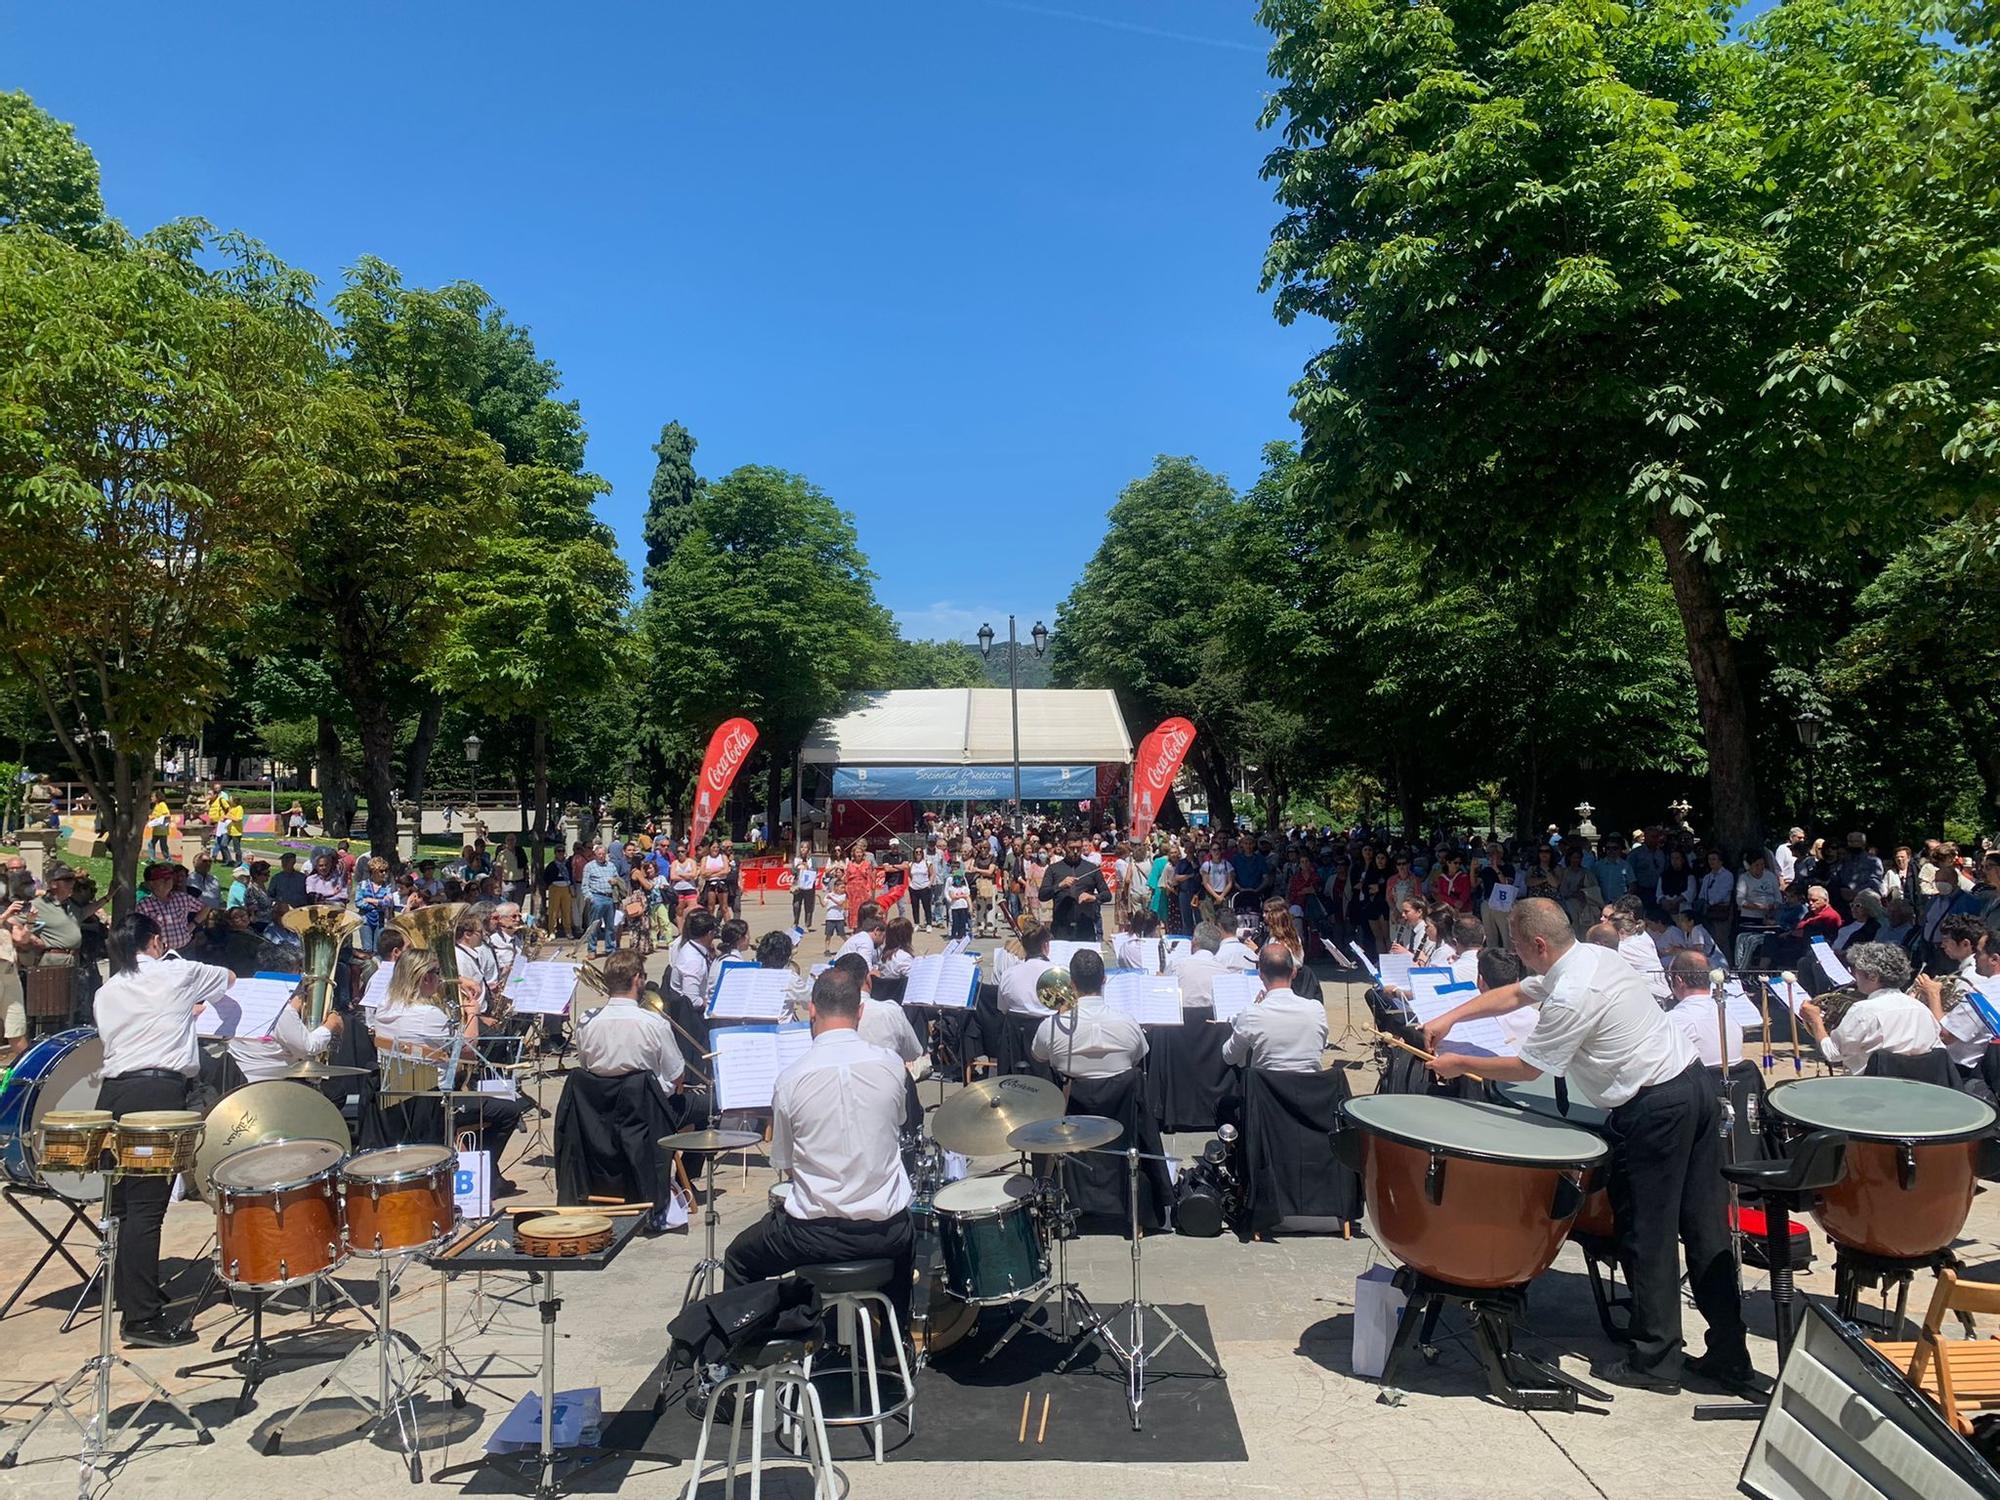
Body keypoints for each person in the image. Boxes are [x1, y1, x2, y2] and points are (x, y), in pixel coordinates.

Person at [1422, 898, 1752, 1393]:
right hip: (1694, 1088)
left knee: (1648, 1233)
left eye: (1515, 942)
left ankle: (1655, 1359)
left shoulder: (1574, 990)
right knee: (1704, 1227)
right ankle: (1730, 1353)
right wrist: (1451, 1018)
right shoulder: (1593, 957)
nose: (1510, 951)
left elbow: (1530, 1068)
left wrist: (1458, 1063)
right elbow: (1517, 993)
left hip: (1656, 1106)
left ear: (1537, 944)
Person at [721, 966, 914, 1322]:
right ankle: (891, 1340)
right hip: (887, 1232)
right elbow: (898, 1124)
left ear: (811, 1009)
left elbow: (785, 1163)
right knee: (907, 1233)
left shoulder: (791, 1078)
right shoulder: (891, 1065)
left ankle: (757, 1355)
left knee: (737, 1258)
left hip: (814, 1235)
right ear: (859, 1011)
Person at [94, 911, 237, 1347]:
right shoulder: (177, 971)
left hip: (114, 1097)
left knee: (121, 1205)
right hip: (156, 1096)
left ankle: (130, 1293)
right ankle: (141, 1320)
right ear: (155, 941)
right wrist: (187, 995)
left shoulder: (107, 990)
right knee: (146, 1208)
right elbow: (229, 977)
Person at [371, 945, 524, 1188]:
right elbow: (469, 1052)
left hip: (398, 1095)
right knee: (509, 1109)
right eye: (437, 973)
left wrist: (458, 979)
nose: (441, 979)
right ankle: (486, 1174)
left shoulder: (384, 1006)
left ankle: (471, 1161)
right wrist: (472, 1014)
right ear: (425, 977)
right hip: (434, 1100)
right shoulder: (429, 1014)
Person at [1801, 942, 1942, 1074]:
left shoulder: (1864, 1011)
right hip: (1918, 1086)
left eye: (1856, 971)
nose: (1854, 977)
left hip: (1873, 1088)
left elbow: (1832, 1053)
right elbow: (1938, 1051)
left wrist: (1816, 1021)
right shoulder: (1922, 1010)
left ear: (1873, 977)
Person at [1032, 949, 1146, 1079]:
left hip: (1068, 1098)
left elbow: (1038, 1057)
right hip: (1120, 1098)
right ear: (1104, 980)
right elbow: (1137, 1059)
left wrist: (1059, 1016)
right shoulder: (1129, 1023)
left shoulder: (1050, 1027)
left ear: (1072, 984)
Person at [1221, 943, 1327, 1072]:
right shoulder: (1316, 1010)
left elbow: (1229, 1057)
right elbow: (1321, 1046)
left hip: (1267, 1090)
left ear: (1260, 975)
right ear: (1293, 972)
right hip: (1308, 1090)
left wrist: (1241, 1020)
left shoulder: (1252, 1014)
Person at [230, 980, 339, 1082]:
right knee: (335, 1094)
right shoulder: (283, 1009)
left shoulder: (240, 999)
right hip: (269, 1085)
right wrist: (331, 1025)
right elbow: (308, 1048)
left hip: (236, 1080)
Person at [832, 951, 924, 1063]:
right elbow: (914, 1053)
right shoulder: (891, 1011)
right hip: (887, 1077)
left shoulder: (827, 1016)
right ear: (868, 980)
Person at [1662, 951, 1744, 1069]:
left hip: (1699, 1085)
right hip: (1738, 1084)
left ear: (1679, 981)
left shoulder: (1676, 1020)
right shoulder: (1729, 1016)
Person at [999, 923, 1058, 1016]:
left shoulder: (1007, 975)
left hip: (1016, 1029)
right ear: (1045, 945)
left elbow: (1002, 1009)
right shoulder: (1059, 975)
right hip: (1046, 1028)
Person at [668, 909, 720, 1011]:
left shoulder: (693, 947)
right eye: (715, 932)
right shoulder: (692, 961)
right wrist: (711, 1004)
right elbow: (692, 1000)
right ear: (709, 934)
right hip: (692, 1016)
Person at [1175, 922, 1230, 1008]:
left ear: (1194, 942)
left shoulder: (1177, 965)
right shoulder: (1226, 973)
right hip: (1213, 1020)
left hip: (1184, 1019)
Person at [838, 902, 885, 967]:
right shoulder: (865, 941)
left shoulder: (867, 937)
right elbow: (866, 968)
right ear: (870, 916)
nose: (883, 917)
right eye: (880, 914)